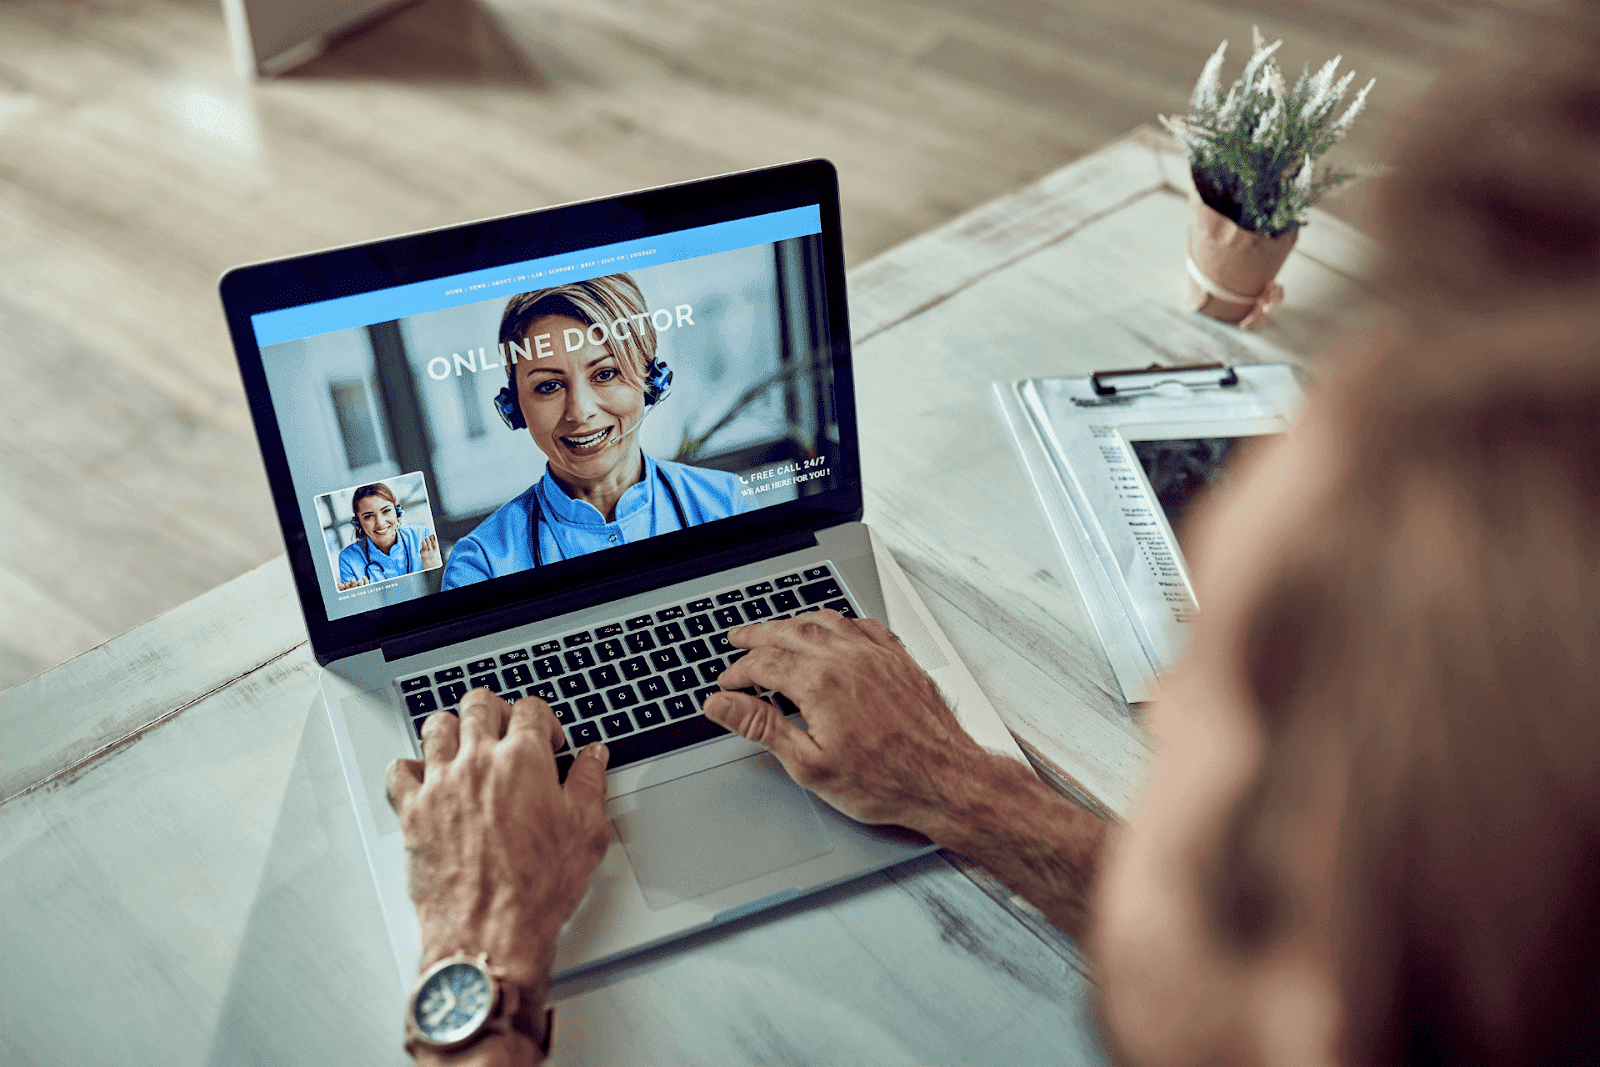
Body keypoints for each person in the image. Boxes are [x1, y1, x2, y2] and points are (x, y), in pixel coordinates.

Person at [386, 11, 1600, 1064]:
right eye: (545, 386)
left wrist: (478, 956)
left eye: (1248, 725)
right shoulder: (484, 553)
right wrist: (961, 787)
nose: (1149, 738)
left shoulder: (725, 502)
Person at [441, 275, 745, 589]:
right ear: (513, 407)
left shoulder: (726, 502)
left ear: (652, 380)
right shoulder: (481, 565)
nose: (579, 412)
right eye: (549, 386)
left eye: (605, 373)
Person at [336, 481, 441, 591]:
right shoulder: (348, 558)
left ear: (397, 512)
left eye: (386, 511)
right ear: (358, 523)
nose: (380, 523)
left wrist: (433, 570)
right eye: (368, 516)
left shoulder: (423, 536)